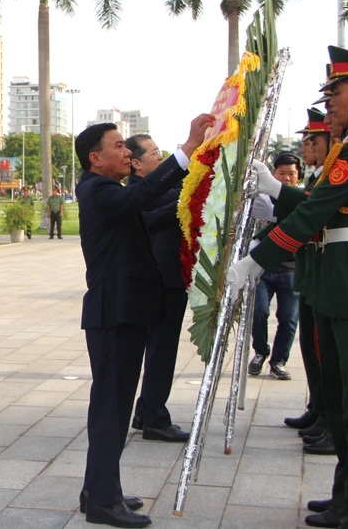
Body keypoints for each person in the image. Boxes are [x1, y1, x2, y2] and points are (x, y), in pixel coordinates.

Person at [229, 46, 348, 529]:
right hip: (340, 287)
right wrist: (275, 193)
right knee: (347, 407)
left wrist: (256, 260)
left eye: (336, 95)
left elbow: (315, 212)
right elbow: (315, 202)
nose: (328, 105)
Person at [75, 115, 214, 528]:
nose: (127, 152)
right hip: (115, 314)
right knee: (112, 409)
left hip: (124, 312)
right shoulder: (98, 189)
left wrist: (189, 203)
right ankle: (103, 500)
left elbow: (147, 216)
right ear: (95, 158)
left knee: (113, 407)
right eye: (118, 146)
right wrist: (188, 149)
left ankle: (98, 490)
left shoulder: (110, 192)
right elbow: (143, 194)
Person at [125, 133, 191, 443]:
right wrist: (188, 200)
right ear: (137, 163)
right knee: (162, 350)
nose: (160, 158)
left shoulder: (158, 188)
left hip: (166, 278)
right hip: (161, 280)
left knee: (159, 349)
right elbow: (167, 208)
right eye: (154, 154)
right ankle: (154, 417)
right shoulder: (140, 192)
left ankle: (145, 411)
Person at [284, 108, 336, 458]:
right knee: (311, 348)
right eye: (305, 142)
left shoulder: (329, 178)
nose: (306, 148)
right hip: (312, 275)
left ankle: (330, 419)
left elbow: (310, 212)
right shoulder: (318, 178)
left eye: (313, 141)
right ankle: (319, 409)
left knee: (325, 353)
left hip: (325, 275)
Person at [248, 152, 302, 381]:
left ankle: (278, 361)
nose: (287, 178)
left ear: (298, 177)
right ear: (273, 174)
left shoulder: (302, 201)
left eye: (292, 174)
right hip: (263, 268)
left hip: (291, 268)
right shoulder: (260, 198)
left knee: (289, 319)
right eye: (281, 173)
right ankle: (260, 351)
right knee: (259, 312)